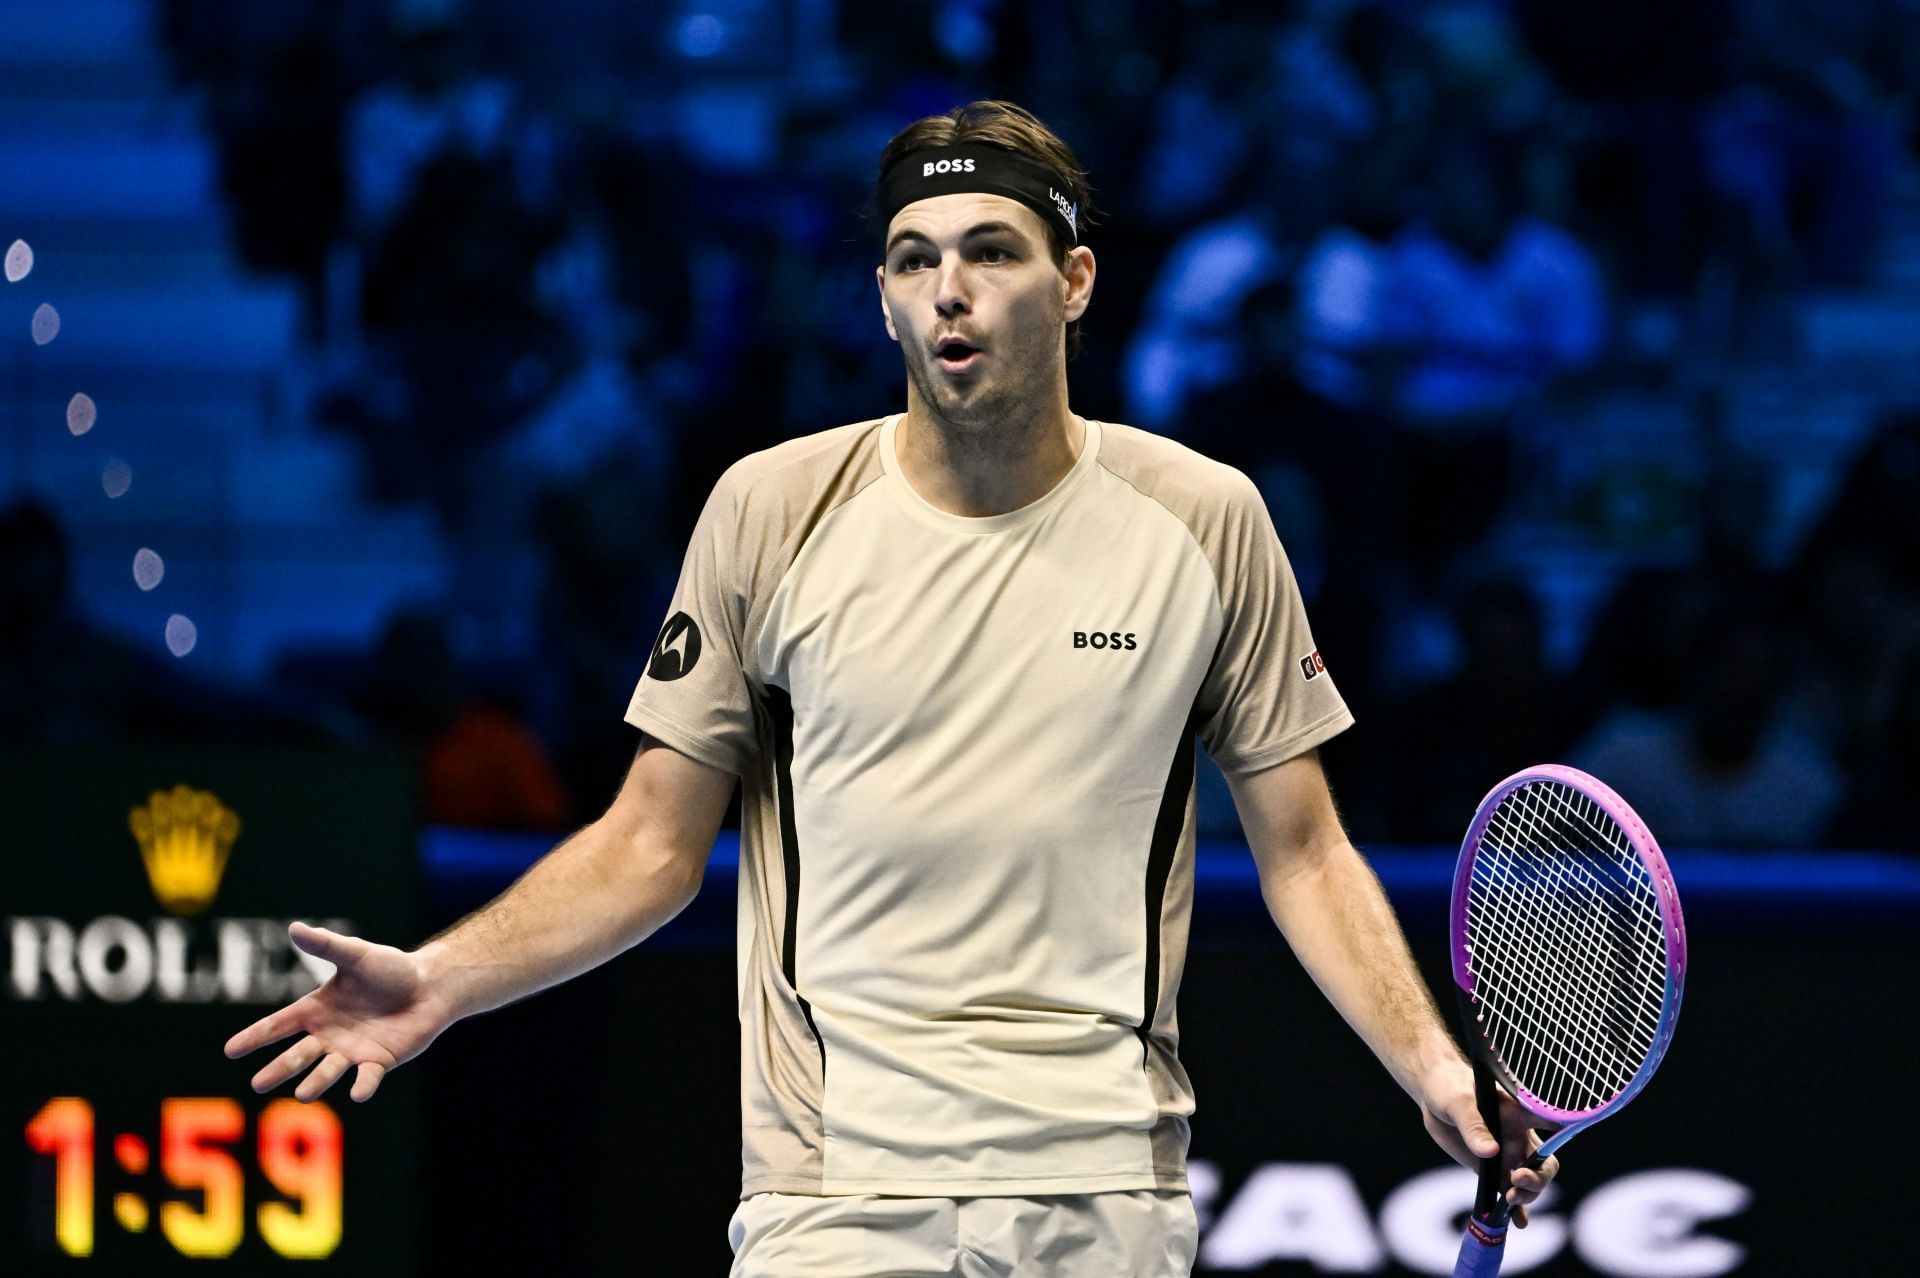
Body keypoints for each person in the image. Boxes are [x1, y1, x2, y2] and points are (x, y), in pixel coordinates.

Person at [226, 100, 1557, 1276]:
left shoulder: (1205, 519)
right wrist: (445, 978)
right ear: (881, 297)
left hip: (1101, 1195)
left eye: (992, 252)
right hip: (835, 1199)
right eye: (916, 260)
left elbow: (1305, 851)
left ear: (1076, 280)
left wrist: (1436, 1070)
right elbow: (648, 845)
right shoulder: (770, 510)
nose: (949, 292)